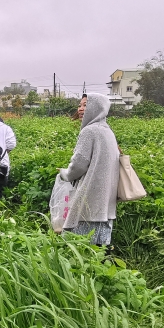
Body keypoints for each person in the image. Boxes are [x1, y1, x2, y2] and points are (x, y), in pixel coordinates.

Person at [58, 92, 119, 245]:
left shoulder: (89, 131)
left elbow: (79, 164)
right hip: (105, 200)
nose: (80, 109)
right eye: (80, 105)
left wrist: (65, 174)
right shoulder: (107, 131)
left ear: (97, 107)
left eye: (86, 105)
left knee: (78, 248)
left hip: (90, 198)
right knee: (98, 252)